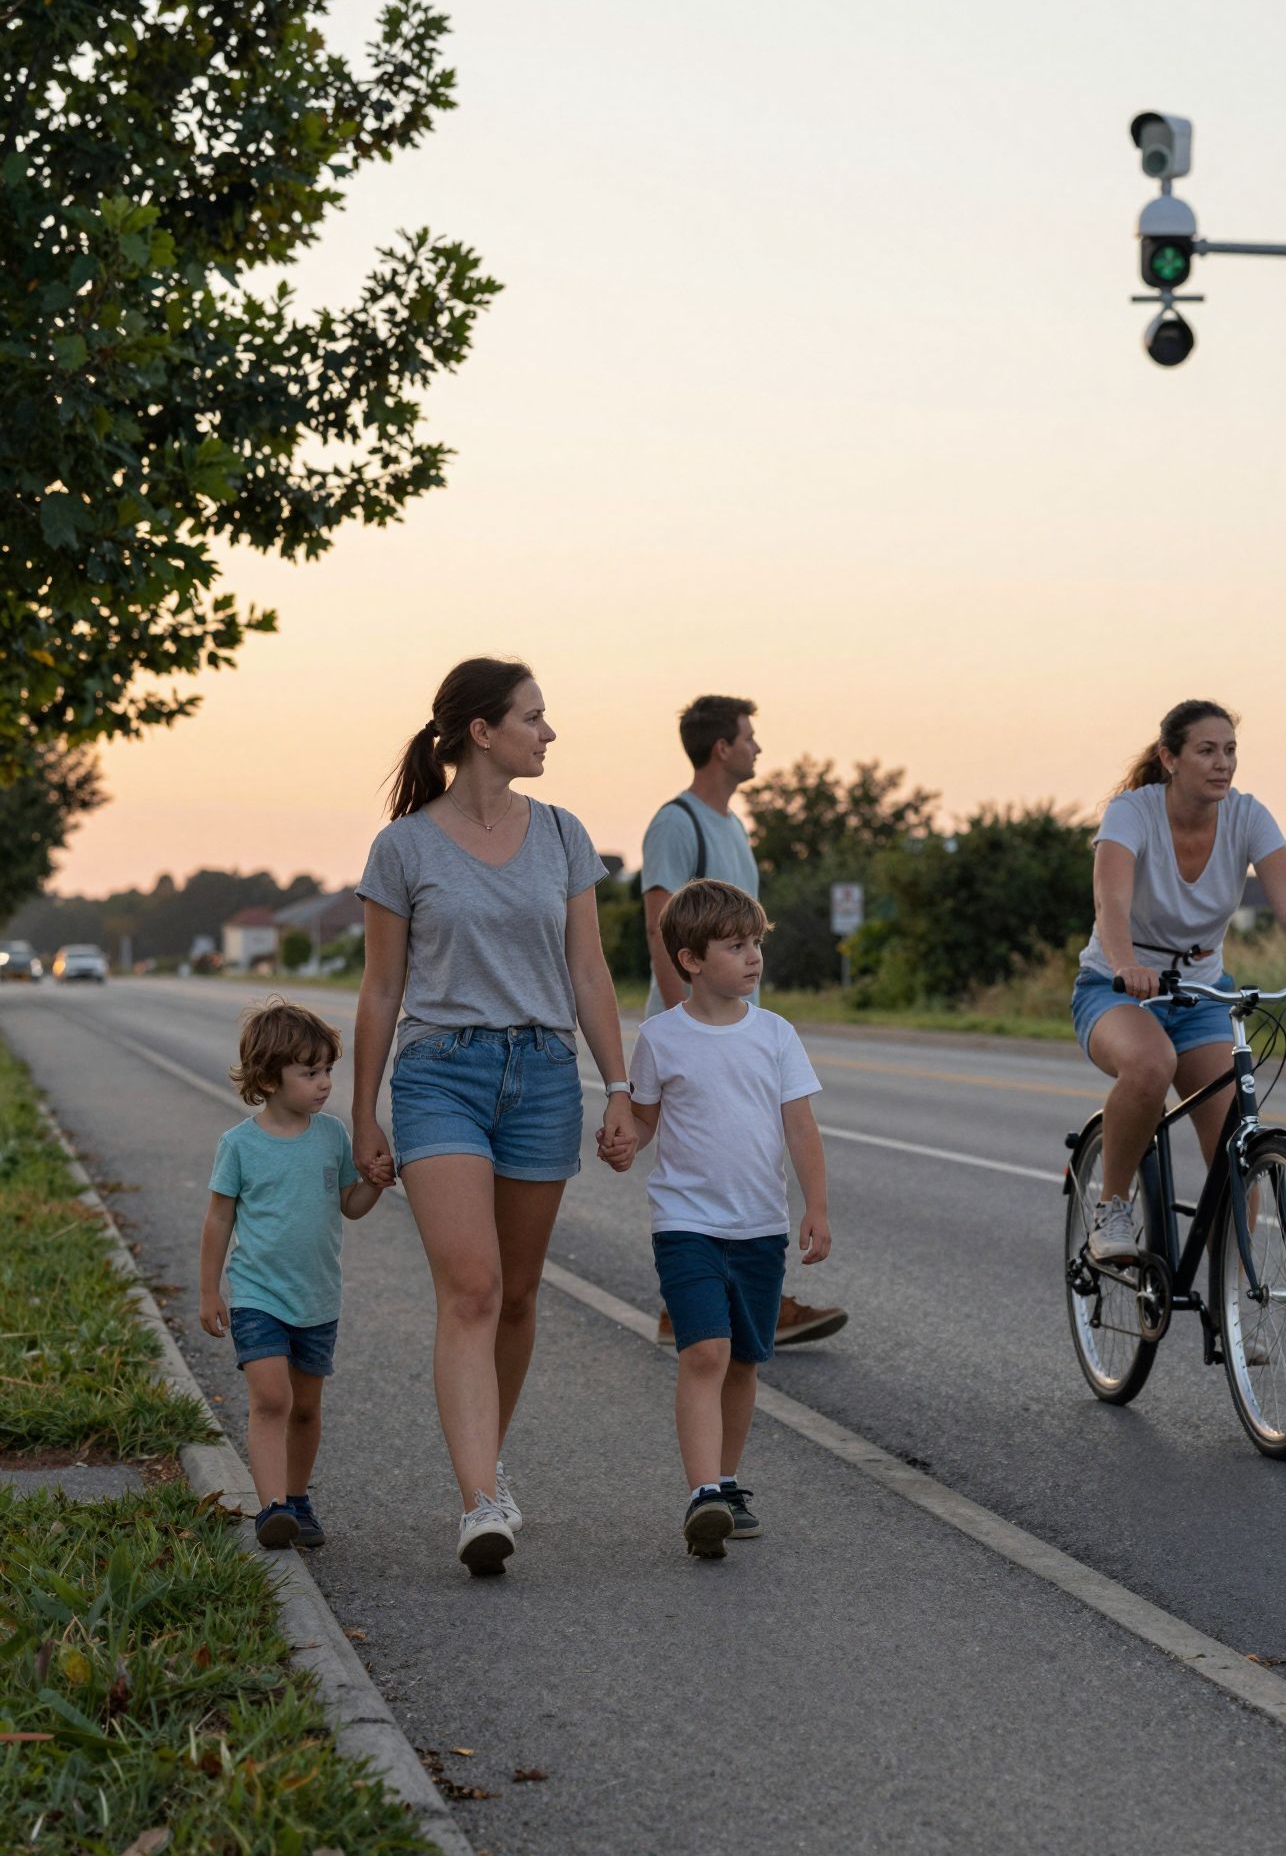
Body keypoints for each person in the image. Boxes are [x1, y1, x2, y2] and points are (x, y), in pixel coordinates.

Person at [351, 657, 636, 1576]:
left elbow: (590, 974)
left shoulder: (560, 834)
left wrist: (620, 1088)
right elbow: (381, 988)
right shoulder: (404, 849)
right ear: (482, 731)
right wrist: (363, 1117)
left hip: (545, 1073)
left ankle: (489, 1465)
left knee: (516, 1294)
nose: (549, 734)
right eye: (534, 718)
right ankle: (479, 1500)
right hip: (441, 1073)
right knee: (470, 1288)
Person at [1073, 699, 1286, 1264]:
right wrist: (1125, 963)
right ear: (1170, 758)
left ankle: (1236, 1295)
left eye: (1230, 751)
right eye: (1206, 750)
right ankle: (1111, 1206)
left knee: (1234, 1142)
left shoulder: (1248, 816)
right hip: (1117, 989)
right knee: (1150, 1064)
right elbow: (1110, 899)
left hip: (1203, 994)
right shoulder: (1132, 814)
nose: (1222, 763)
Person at [603, 879, 832, 1558]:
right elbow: (645, 1118)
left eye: (756, 942)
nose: (754, 957)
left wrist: (815, 1204)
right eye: (737, 946)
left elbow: (802, 1126)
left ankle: (727, 1484)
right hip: (686, 1224)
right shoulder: (663, 1037)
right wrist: (625, 1142)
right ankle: (702, 1491)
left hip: (759, 1226)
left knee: (743, 1362)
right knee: (705, 1350)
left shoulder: (775, 1035)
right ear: (692, 959)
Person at [641, 693, 846, 1348]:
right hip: (691, 1022)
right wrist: (686, 1020)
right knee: (702, 1164)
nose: (759, 748)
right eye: (750, 737)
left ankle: (741, 1299)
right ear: (721, 747)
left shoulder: (732, 825)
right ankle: (704, 1302)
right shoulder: (678, 822)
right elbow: (659, 919)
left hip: (738, 1021)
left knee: (743, 1155)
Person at [199, 999, 384, 1548]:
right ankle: (272, 1507)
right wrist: (210, 1291)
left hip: (317, 1297)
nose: (325, 1083)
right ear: (268, 1078)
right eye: (310, 1072)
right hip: (259, 1295)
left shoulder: (330, 1137)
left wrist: (374, 1180)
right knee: (272, 1399)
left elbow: (350, 1204)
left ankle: (298, 1501)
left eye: (328, 1070)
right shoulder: (239, 1145)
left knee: (305, 1407)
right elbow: (217, 1220)